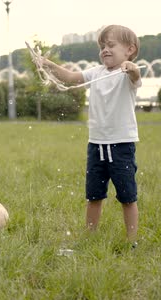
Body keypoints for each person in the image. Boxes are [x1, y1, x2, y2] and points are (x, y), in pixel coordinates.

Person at [40, 25, 141, 248]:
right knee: (93, 195)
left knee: (127, 196)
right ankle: (89, 236)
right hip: (95, 146)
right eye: (102, 46)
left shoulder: (127, 76)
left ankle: (132, 240)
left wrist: (130, 66)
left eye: (111, 45)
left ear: (130, 49)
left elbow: (136, 73)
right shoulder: (96, 72)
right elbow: (70, 77)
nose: (105, 49)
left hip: (121, 146)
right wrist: (48, 65)